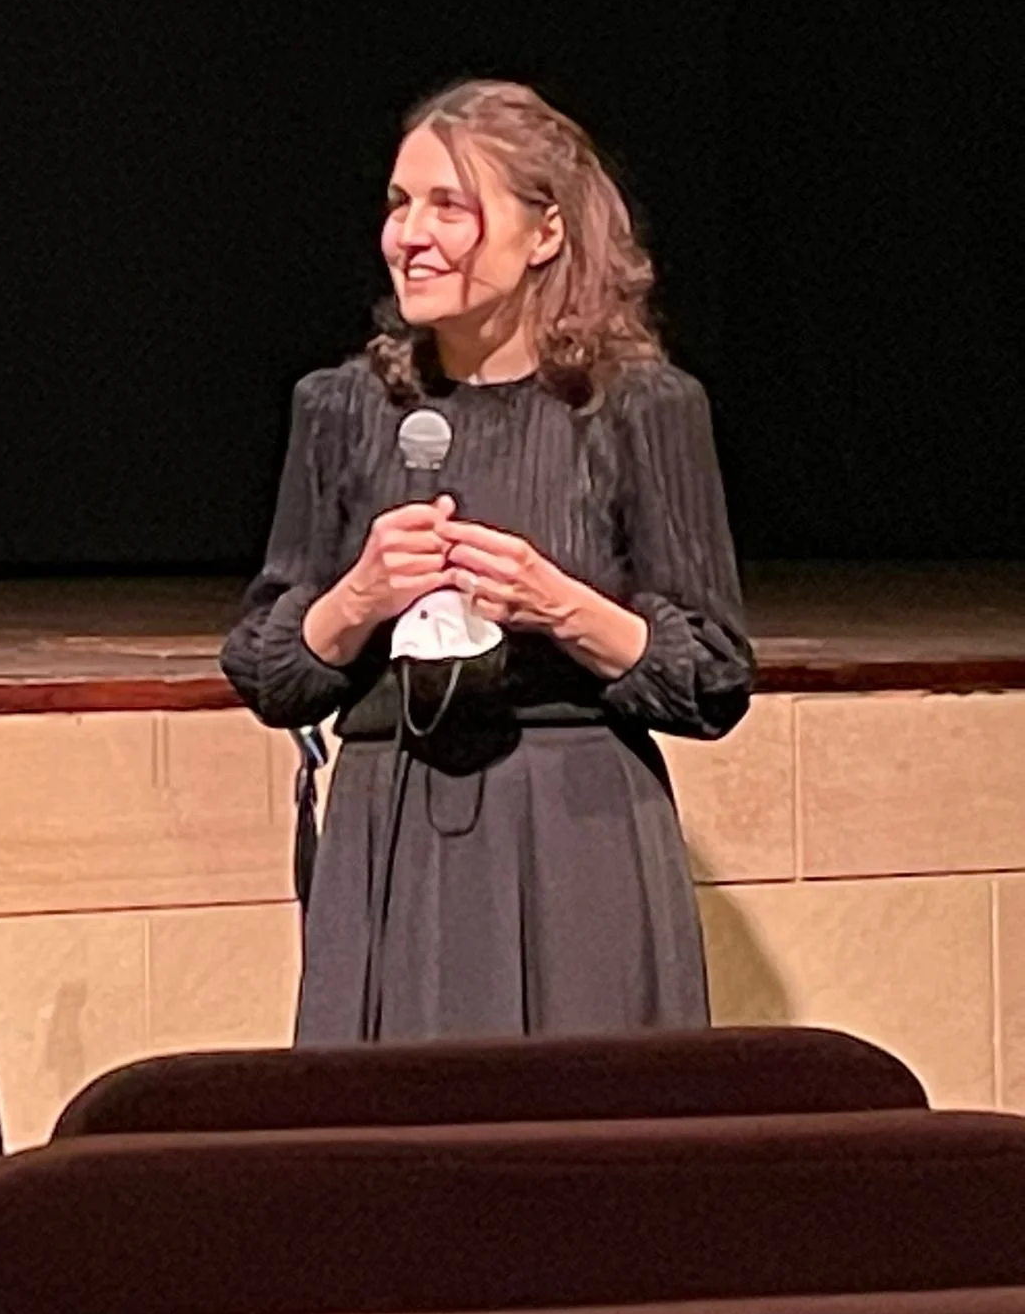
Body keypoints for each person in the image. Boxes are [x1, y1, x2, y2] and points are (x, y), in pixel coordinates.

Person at [221, 79, 751, 1045]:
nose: (410, 235)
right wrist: (359, 596)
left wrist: (559, 606)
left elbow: (712, 677)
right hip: (390, 827)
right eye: (399, 204)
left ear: (545, 232)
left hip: (575, 831)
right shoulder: (343, 407)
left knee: (577, 1123)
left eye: (450, 206)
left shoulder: (639, 408)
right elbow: (267, 669)